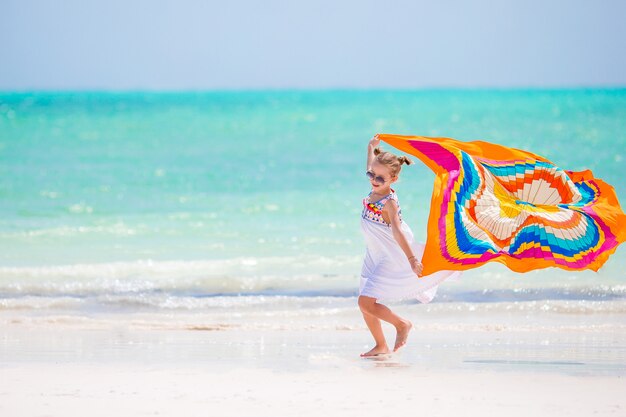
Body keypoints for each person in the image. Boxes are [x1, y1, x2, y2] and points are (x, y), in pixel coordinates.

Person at [358, 134, 458, 357]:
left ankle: (402, 324)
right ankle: (381, 345)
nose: (373, 179)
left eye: (380, 178)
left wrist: (413, 259)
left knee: (365, 301)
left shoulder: (389, 202)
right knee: (366, 301)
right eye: (370, 174)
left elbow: (396, 230)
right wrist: (370, 148)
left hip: (391, 255)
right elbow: (372, 166)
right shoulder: (376, 185)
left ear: (393, 179)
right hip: (375, 252)